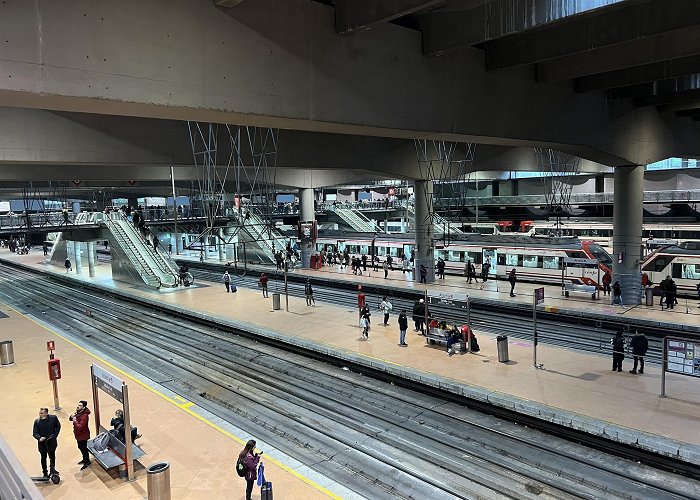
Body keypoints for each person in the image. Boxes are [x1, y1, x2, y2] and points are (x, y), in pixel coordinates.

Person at [33, 407, 61, 478]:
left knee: (52, 456)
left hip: (51, 441)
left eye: (42, 413)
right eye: (40, 413)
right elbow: (35, 433)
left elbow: (58, 426)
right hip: (42, 443)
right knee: (43, 457)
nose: (40, 414)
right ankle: (45, 472)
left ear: (46, 413)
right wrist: (39, 438)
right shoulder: (37, 422)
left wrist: (54, 436)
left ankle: (53, 469)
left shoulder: (53, 418)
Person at [69, 400, 91, 470]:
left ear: (84, 407)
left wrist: (74, 420)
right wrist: (71, 417)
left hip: (83, 435)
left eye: (80, 405)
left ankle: (87, 461)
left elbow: (80, 426)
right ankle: (84, 459)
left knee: (83, 448)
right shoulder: (78, 413)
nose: (78, 406)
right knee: (80, 447)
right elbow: (70, 419)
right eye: (78, 405)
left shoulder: (84, 416)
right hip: (78, 435)